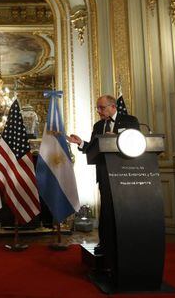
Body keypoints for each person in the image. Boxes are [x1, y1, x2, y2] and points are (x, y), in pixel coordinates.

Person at [67, 95, 140, 262]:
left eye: (102, 108)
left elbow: (136, 143)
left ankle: (127, 243)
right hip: (105, 174)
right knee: (106, 210)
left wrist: (114, 139)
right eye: (97, 108)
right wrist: (81, 144)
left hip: (127, 173)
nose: (99, 111)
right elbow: (93, 148)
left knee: (124, 211)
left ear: (113, 106)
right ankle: (105, 244)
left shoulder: (130, 121)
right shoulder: (98, 125)